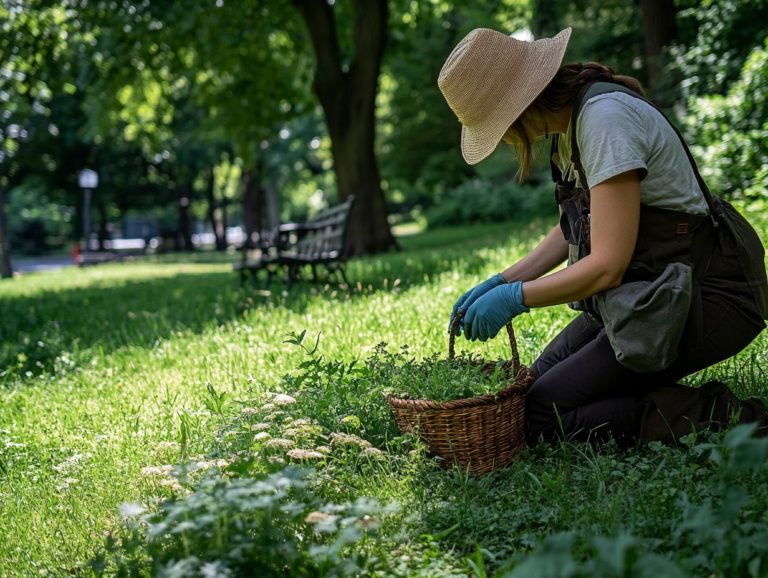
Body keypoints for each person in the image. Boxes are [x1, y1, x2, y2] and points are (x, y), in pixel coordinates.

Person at [438, 27, 768, 446]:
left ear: (518, 108)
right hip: (642, 295)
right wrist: (501, 280)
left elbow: (608, 266)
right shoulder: (568, 126)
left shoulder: (604, 121)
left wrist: (517, 298)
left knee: (542, 415)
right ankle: (646, 399)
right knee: (532, 389)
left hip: (703, 295)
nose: (501, 138)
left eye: (495, 125)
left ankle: (728, 421)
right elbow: (573, 228)